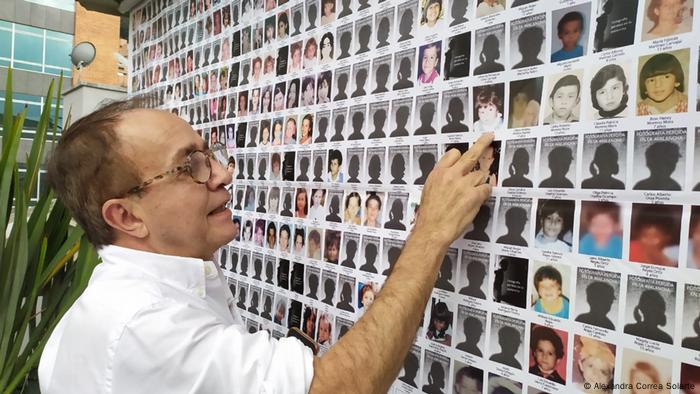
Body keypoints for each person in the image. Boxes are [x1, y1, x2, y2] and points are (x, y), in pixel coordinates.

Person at [40, 96, 495, 393]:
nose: (222, 174)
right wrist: (431, 232)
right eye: (191, 166)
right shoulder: (143, 328)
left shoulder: (113, 309)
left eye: (209, 153)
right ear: (127, 216)